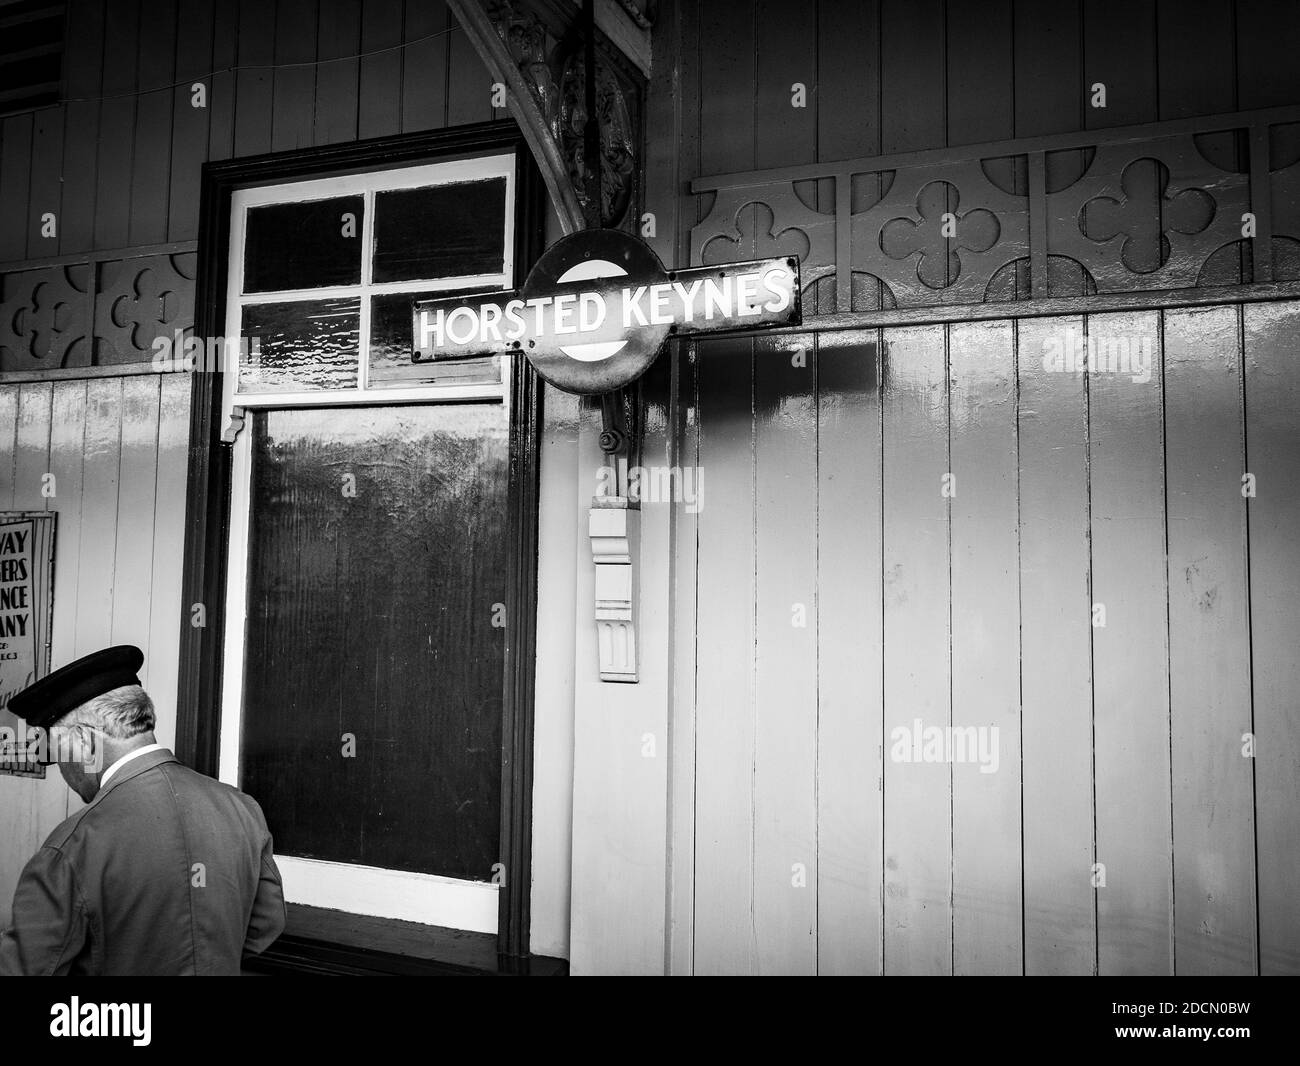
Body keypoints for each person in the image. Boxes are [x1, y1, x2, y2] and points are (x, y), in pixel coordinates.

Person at [0, 645, 285, 975]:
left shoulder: (72, 846)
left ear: (83, 741)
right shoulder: (242, 809)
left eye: (55, 750)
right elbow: (264, 926)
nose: (62, 769)